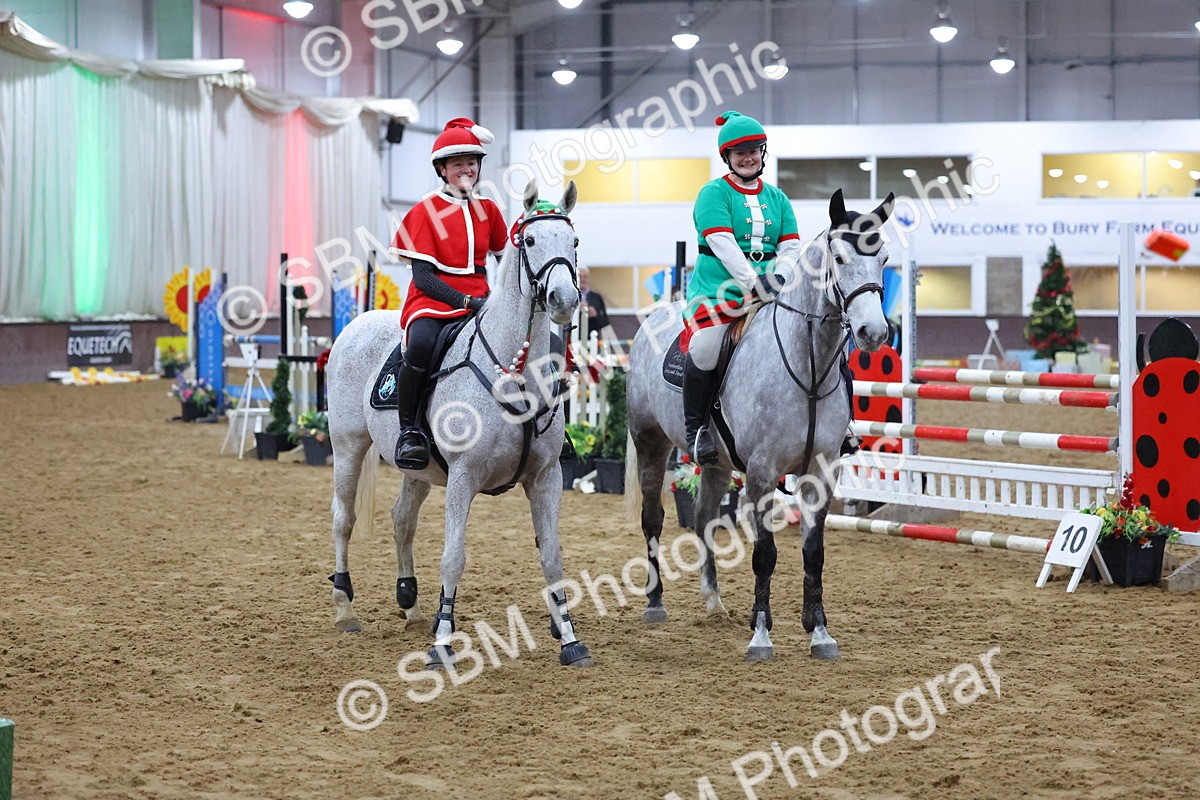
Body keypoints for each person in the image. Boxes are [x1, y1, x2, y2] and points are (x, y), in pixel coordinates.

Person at [680, 111, 803, 465]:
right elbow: (722, 242)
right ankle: (697, 430)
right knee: (704, 348)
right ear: (727, 158)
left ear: (763, 153)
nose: (748, 157)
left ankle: (841, 425)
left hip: (773, 293)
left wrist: (780, 276)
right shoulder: (713, 194)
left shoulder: (778, 198)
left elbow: (791, 245)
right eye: (739, 152)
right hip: (720, 294)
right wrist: (755, 283)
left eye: (754, 150)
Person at [390, 117, 508, 469]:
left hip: (483, 300)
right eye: (458, 163)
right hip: (433, 303)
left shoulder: (488, 209)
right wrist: (463, 301)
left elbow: (507, 261)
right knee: (423, 344)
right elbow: (423, 277)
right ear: (442, 169)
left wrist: (503, 299)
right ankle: (409, 430)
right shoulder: (425, 212)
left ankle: (544, 428)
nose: (467, 169)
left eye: (472, 162)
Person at [577, 264, 616, 344]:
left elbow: (605, 322)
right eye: (580, 277)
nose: (582, 280)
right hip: (572, 342)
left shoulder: (596, 297)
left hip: (591, 343)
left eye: (585, 277)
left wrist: (595, 316)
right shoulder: (569, 296)